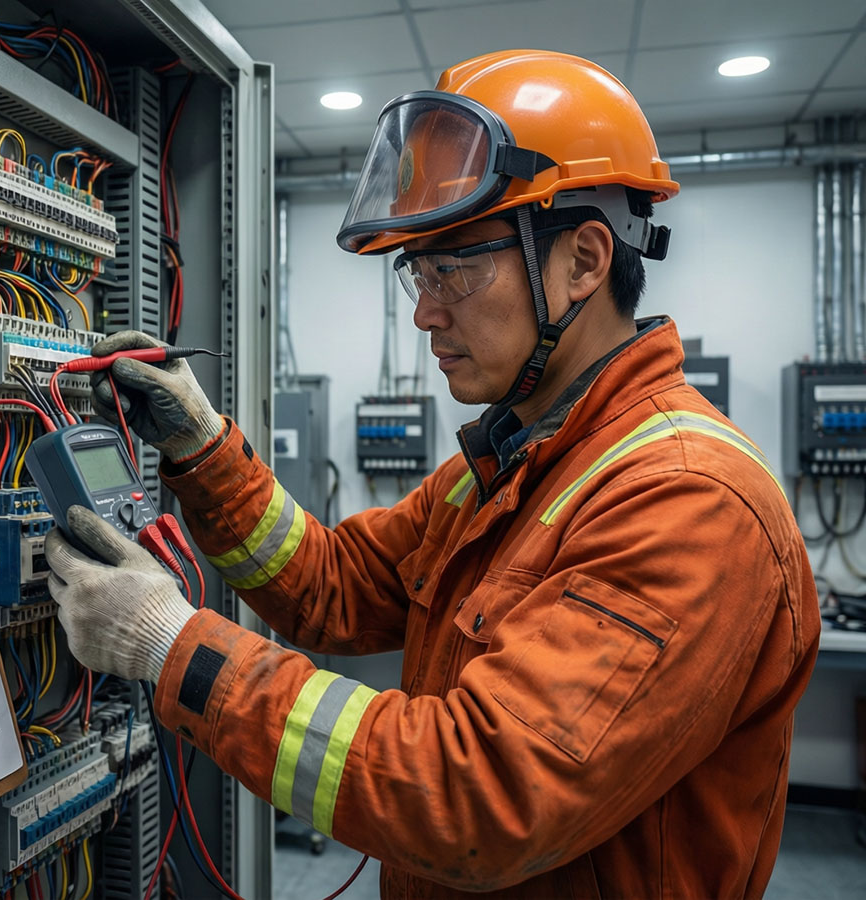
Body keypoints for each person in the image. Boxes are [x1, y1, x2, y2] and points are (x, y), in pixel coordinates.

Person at [45, 50, 820, 898]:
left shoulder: (688, 499)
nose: (423, 311)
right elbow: (330, 584)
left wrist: (172, 647)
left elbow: (477, 795)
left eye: (455, 267)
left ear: (584, 261)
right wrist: (203, 449)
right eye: (419, 271)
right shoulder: (508, 463)